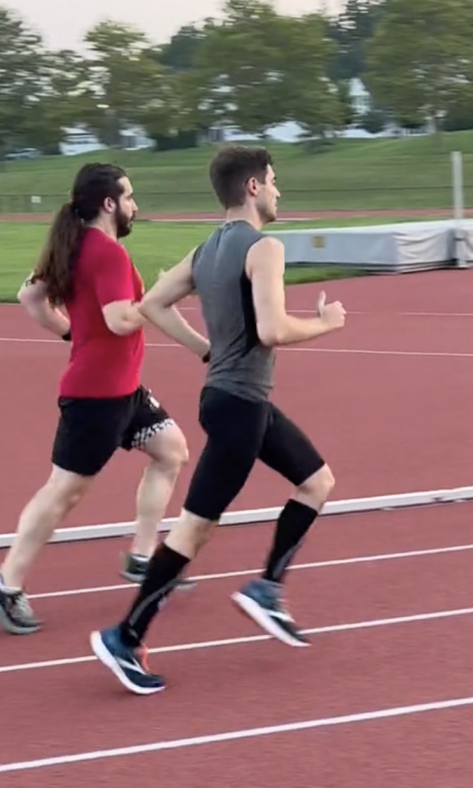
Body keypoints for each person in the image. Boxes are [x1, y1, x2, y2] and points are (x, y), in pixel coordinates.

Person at [89, 145, 347, 694]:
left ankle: (267, 590)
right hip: (238, 406)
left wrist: (205, 350)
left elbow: (152, 304)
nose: (279, 191)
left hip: (233, 400)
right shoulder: (264, 248)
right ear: (252, 187)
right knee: (195, 527)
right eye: (274, 181)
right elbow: (274, 329)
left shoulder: (205, 251)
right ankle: (126, 635)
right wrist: (326, 323)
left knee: (317, 481)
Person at [0, 162, 212, 635]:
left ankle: (143, 557)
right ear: (109, 203)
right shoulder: (106, 253)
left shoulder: (73, 245)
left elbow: (30, 296)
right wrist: (163, 295)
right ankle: (6, 583)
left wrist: (70, 333)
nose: (135, 206)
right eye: (130, 197)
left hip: (123, 389)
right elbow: (121, 320)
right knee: (64, 492)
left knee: (171, 450)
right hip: (96, 397)